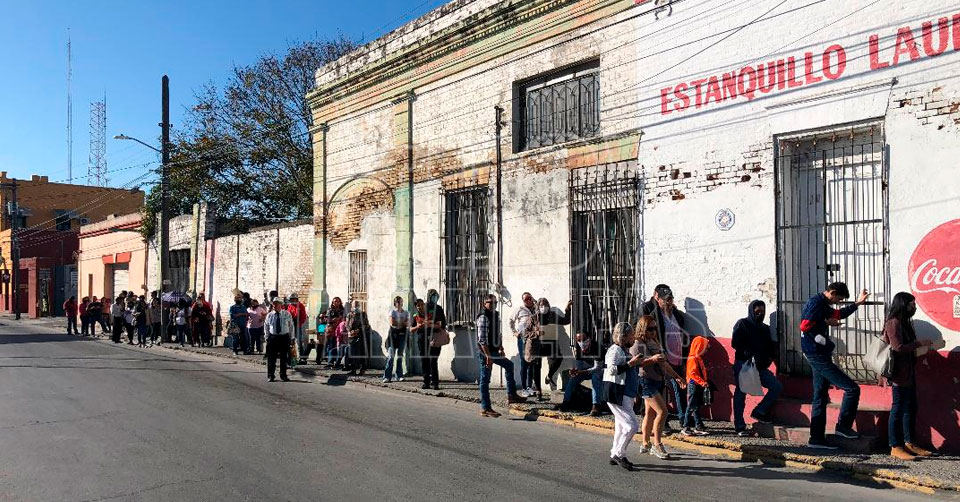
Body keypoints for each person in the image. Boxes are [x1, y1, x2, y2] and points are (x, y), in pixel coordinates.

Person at [800, 282, 869, 449]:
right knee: (852, 389)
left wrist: (857, 304)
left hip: (818, 352)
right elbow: (804, 325)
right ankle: (843, 427)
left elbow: (838, 314)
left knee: (820, 396)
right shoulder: (816, 303)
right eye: (838, 298)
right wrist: (825, 324)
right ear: (832, 292)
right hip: (816, 354)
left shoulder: (823, 303)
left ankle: (816, 439)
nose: (838, 302)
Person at [883, 292, 936, 461]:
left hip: (908, 372)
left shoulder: (905, 323)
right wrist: (919, 343)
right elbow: (898, 347)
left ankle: (910, 443)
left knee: (911, 408)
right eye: (912, 304)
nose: (914, 307)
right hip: (898, 374)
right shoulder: (893, 323)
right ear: (902, 304)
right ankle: (895, 446)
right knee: (898, 409)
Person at [633, 315, 685, 460]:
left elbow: (664, 363)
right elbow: (636, 362)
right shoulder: (637, 344)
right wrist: (653, 359)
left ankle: (645, 443)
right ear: (642, 329)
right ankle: (657, 444)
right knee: (663, 412)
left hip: (658, 380)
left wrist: (676, 376)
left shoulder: (654, 342)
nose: (653, 331)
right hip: (646, 381)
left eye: (655, 328)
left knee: (650, 413)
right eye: (650, 329)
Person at [731, 300, 782, 436]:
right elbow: (735, 343)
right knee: (741, 394)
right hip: (745, 365)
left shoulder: (764, 328)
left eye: (762, 312)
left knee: (776, 386)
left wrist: (768, 358)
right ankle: (739, 426)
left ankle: (759, 411)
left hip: (760, 366)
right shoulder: (742, 324)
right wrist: (749, 354)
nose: (760, 314)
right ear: (751, 311)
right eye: (757, 312)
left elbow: (769, 347)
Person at [642, 285, 689, 430]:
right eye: (665, 300)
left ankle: (684, 420)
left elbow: (681, 334)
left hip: (678, 356)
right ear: (658, 300)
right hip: (664, 357)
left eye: (670, 299)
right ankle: (664, 421)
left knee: (680, 387)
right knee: (665, 389)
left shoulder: (676, 315)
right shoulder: (655, 315)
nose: (668, 302)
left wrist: (684, 357)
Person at [476, 294, 527, 418]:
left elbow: (497, 334)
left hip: (494, 351)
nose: (493, 305)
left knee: (509, 365)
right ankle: (485, 408)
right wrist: (488, 356)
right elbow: (482, 339)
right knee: (485, 379)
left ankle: (511, 395)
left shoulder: (494, 315)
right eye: (490, 302)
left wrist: (500, 348)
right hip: (486, 352)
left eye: (495, 303)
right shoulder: (483, 317)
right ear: (484, 303)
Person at [603, 322, 644, 471]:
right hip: (617, 392)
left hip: (626, 393)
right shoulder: (614, 350)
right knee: (632, 426)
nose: (634, 338)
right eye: (631, 335)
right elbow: (611, 370)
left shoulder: (623, 350)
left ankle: (614, 453)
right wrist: (631, 363)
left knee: (621, 427)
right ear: (624, 336)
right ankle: (619, 454)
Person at [558, 332, 604, 415]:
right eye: (579, 340)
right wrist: (575, 371)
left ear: (589, 338)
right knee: (573, 379)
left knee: (595, 377)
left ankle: (596, 405)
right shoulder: (578, 347)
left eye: (584, 339)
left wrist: (583, 371)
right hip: (588, 369)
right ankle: (566, 402)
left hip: (602, 369)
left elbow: (597, 368)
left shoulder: (596, 347)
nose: (582, 342)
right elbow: (579, 364)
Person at [539, 298, 572, 391]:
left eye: (545, 305)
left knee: (558, 359)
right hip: (542, 343)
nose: (544, 307)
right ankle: (551, 389)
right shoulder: (536, 316)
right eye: (541, 305)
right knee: (546, 365)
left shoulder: (552, 315)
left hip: (553, 342)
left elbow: (565, 321)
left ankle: (549, 376)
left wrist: (567, 309)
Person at [510, 292, 538, 398]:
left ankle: (529, 386)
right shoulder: (520, 309)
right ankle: (524, 388)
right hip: (522, 339)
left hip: (533, 339)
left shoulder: (536, 309)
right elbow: (511, 320)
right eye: (526, 299)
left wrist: (535, 303)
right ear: (523, 301)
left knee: (531, 363)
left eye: (529, 298)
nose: (528, 300)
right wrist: (514, 332)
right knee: (524, 362)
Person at [681, 335, 710, 436]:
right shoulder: (693, 359)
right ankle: (685, 426)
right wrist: (703, 382)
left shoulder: (697, 358)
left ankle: (698, 425)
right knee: (691, 406)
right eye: (705, 348)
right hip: (694, 384)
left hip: (697, 384)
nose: (706, 350)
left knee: (696, 406)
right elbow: (693, 374)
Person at [412, 299, 441, 390]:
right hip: (422, 341)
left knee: (433, 361)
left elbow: (439, 325)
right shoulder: (416, 316)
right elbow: (410, 329)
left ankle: (435, 383)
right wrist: (417, 326)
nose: (420, 307)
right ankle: (426, 382)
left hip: (432, 340)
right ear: (416, 307)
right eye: (418, 305)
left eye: (421, 305)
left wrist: (429, 325)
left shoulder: (431, 314)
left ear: (424, 305)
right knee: (424, 361)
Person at [264, 298, 295, 382]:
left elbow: (291, 326)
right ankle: (270, 375)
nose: (274, 305)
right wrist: (267, 337)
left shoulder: (286, 314)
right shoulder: (270, 315)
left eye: (276, 303)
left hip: (284, 337)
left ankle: (283, 375)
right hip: (273, 337)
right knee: (271, 358)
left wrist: (292, 337)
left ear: (281, 305)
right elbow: (266, 326)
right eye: (273, 303)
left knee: (284, 357)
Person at [383, 296, 409, 383]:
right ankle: (387, 376)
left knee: (400, 356)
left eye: (400, 301)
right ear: (395, 303)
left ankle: (399, 375)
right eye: (397, 302)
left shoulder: (406, 312)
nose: (399, 303)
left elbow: (408, 323)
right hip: (393, 336)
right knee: (391, 356)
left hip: (402, 335)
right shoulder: (392, 312)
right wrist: (402, 323)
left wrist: (400, 323)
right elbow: (392, 323)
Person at [345, 300, 371, 375]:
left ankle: (362, 369)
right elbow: (347, 325)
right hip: (352, 336)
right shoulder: (350, 314)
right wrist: (350, 331)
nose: (355, 306)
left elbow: (366, 325)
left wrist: (358, 330)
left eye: (357, 304)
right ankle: (353, 370)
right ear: (352, 305)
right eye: (354, 304)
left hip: (361, 336)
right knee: (352, 353)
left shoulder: (363, 314)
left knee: (362, 353)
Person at [321, 297, 345, 366]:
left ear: (340, 302)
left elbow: (343, 319)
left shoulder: (342, 310)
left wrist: (339, 319)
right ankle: (330, 361)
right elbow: (327, 319)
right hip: (331, 330)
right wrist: (334, 320)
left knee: (337, 345)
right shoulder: (330, 310)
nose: (336, 303)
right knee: (330, 345)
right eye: (334, 301)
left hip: (339, 330)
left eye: (337, 301)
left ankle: (335, 361)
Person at [287, 293, 308, 361]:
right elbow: (288, 315)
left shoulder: (301, 306)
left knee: (299, 342)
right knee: (291, 341)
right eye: (291, 299)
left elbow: (303, 317)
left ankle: (302, 357)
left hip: (298, 325)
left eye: (294, 299)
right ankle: (292, 356)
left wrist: (299, 323)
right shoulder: (290, 306)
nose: (293, 300)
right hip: (290, 325)